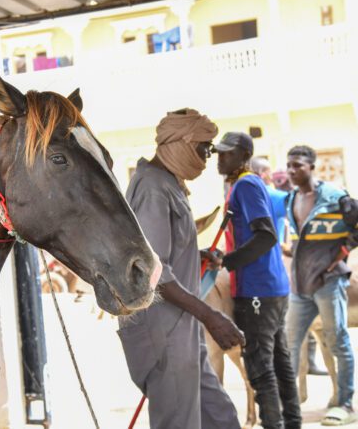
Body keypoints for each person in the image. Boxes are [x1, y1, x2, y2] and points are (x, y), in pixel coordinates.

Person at [118, 109, 245, 429]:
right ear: (183, 143)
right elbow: (153, 270)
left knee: (221, 418)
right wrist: (211, 316)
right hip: (163, 332)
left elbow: (161, 252)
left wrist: (196, 254)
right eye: (205, 147)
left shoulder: (167, 183)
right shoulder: (151, 187)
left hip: (181, 329)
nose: (208, 156)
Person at [215, 133, 301, 429]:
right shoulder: (247, 184)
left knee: (260, 368)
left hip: (257, 290)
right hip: (271, 288)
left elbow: (266, 235)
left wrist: (227, 261)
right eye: (219, 153)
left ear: (244, 155)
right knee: (279, 363)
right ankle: (292, 423)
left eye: (227, 154)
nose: (220, 158)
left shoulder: (246, 184)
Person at [285, 145, 357, 426]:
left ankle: (345, 403)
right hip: (300, 287)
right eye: (289, 165)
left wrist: (340, 256)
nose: (292, 171)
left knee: (338, 341)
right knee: (290, 345)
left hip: (328, 283)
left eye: (298, 166)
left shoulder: (335, 197)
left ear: (311, 167)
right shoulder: (292, 199)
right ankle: (289, 404)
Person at [250, 157, 328, 376]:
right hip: (277, 267)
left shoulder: (245, 195)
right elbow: (304, 203)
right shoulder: (272, 195)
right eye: (268, 172)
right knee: (297, 318)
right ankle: (299, 368)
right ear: (262, 174)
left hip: (261, 268)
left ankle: (300, 365)